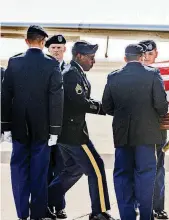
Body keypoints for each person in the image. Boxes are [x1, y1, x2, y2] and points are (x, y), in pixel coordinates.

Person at [47, 40, 116, 220]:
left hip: (68, 132)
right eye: (91, 58)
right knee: (97, 167)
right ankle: (99, 212)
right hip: (74, 134)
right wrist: (105, 108)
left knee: (74, 169)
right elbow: (79, 103)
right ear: (79, 56)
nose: (93, 62)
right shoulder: (71, 74)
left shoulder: (76, 72)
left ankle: (44, 200)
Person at [1, 25, 64, 220]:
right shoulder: (52, 64)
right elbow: (56, 99)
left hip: (19, 127)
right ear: (44, 42)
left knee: (19, 171)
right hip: (43, 129)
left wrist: (5, 126)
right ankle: (36, 215)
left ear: (26, 41)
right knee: (39, 172)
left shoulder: (14, 62)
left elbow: (5, 95)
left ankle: (22, 214)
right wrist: (55, 130)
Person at [102, 44, 169, 220]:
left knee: (122, 176)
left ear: (125, 59)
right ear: (142, 57)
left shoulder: (113, 77)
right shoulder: (153, 74)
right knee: (146, 176)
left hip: (122, 136)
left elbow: (107, 106)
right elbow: (161, 107)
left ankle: (127, 216)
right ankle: (146, 216)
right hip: (146, 136)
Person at [139, 40, 169, 219]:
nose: (147, 58)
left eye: (150, 54)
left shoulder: (162, 74)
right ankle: (138, 205)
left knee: (158, 170)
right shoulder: (132, 73)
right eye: (144, 55)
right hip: (137, 129)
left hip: (157, 129)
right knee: (137, 169)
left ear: (156, 54)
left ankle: (157, 207)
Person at [45, 34, 68, 219]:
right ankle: (47, 205)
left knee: (61, 169)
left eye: (60, 48)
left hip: (65, 130)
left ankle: (59, 206)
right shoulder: (42, 68)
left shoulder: (71, 70)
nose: (57, 51)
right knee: (45, 168)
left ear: (64, 50)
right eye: (53, 48)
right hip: (45, 127)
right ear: (48, 49)